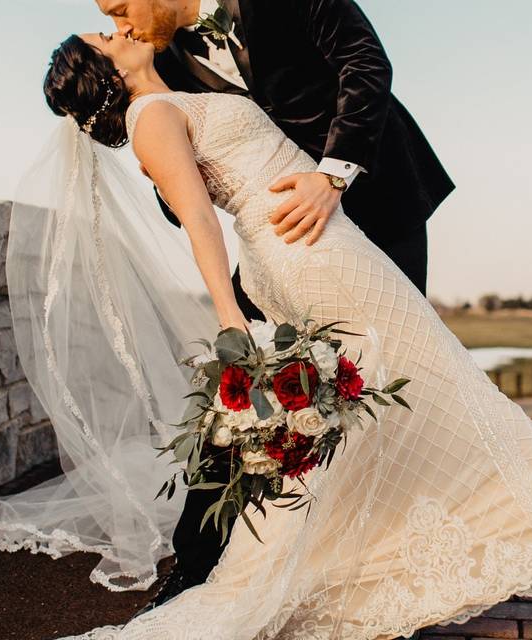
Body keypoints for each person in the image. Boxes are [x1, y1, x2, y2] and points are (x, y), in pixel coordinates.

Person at [0, 29, 532, 640]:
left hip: (322, 238)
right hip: (304, 251)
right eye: (103, 39)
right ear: (102, 71)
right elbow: (199, 219)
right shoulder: (152, 116)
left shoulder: (168, 95)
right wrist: (232, 322)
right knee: (437, 368)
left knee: (401, 388)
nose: (117, 29)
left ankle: (348, 555)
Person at [93, 0, 456, 599]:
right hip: (281, 242)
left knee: (398, 376)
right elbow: (190, 187)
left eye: (120, 6)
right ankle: (195, 564)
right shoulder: (164, 67)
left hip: (376, 195)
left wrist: (332, 173)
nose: (122, 25)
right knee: (239, 387)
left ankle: (395, 566)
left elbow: (363, 62)